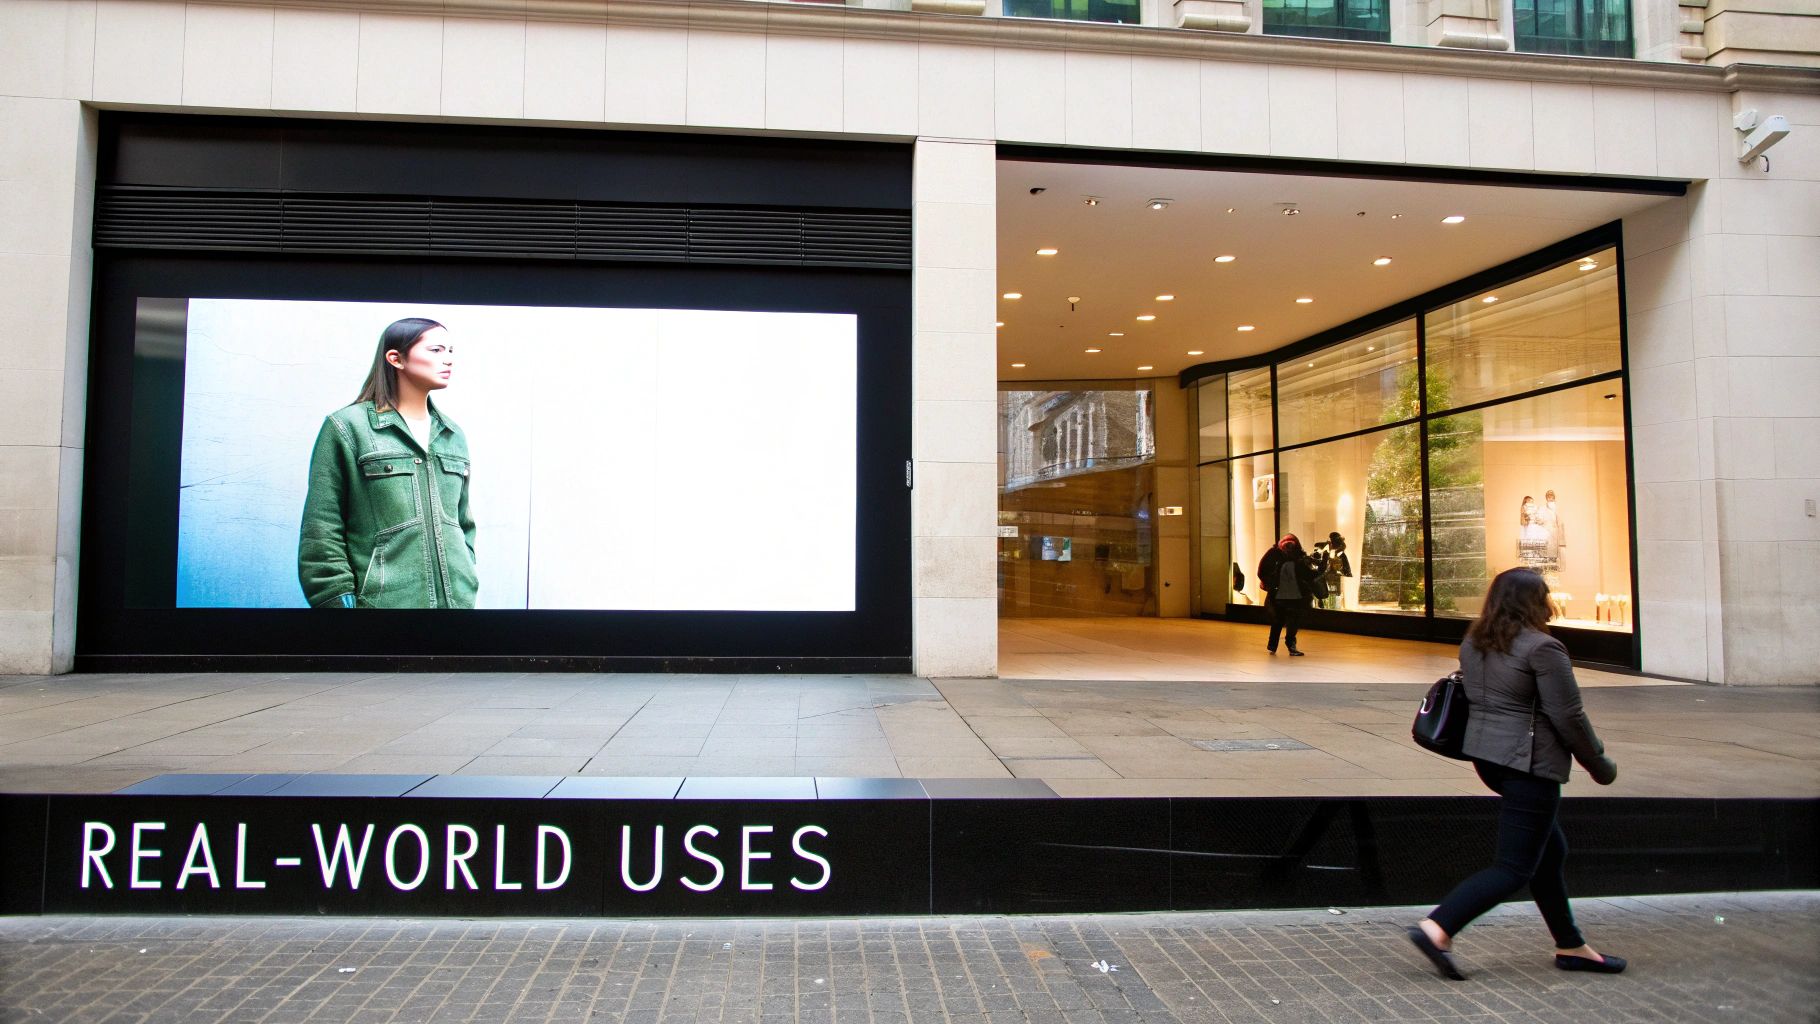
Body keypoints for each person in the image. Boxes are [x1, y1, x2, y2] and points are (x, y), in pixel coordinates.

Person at [1405, 567, 1622, 981]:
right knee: (1514, 867)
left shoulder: (1475, 643)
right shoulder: (1544, 648)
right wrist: (1597, 763)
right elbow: (1567, 715)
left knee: (1548, 852)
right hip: (1528, 763)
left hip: (1489, 760)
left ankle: (1570, 944)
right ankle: (1439, 928)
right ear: (1535, 601)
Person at [298, 317, 478, 609]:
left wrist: (466, 575)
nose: (448, 360)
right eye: (436, 350)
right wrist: (336, 604)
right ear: (396, 359)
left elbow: (463, 524)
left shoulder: (452, 434)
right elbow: (322, 526)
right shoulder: (347, 427)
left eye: (451, 351)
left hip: (457, 610)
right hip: (381, 612)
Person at [1257, 534, 1317, 655]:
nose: (1288, 549)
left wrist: (1270, 585)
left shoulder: (1276, 555)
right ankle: (1286, 645)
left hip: (1283, 594)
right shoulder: (1298, 558)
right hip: (1290, 595)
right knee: (1288, 621)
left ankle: (1275, 645)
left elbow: (1262, 571)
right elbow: (1309, 575)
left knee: (1280, 620)